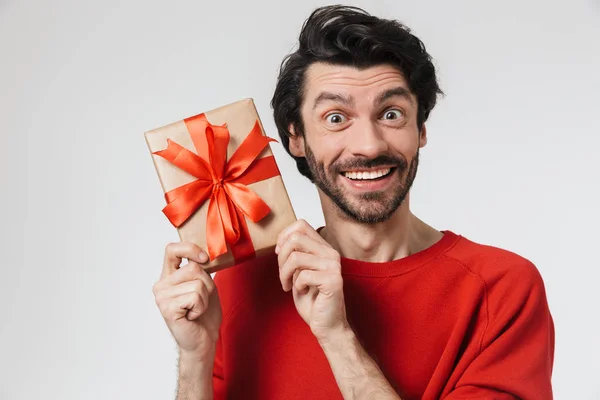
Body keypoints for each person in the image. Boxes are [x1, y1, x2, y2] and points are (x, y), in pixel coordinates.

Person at [152, 5, 555, 399]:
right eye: (335, 118)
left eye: (392, 114)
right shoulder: (243, 283)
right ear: (296, 137)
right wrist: (195, 357)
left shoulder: (502, 289)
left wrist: (338, 337)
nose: (368, 145)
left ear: (421, 130)